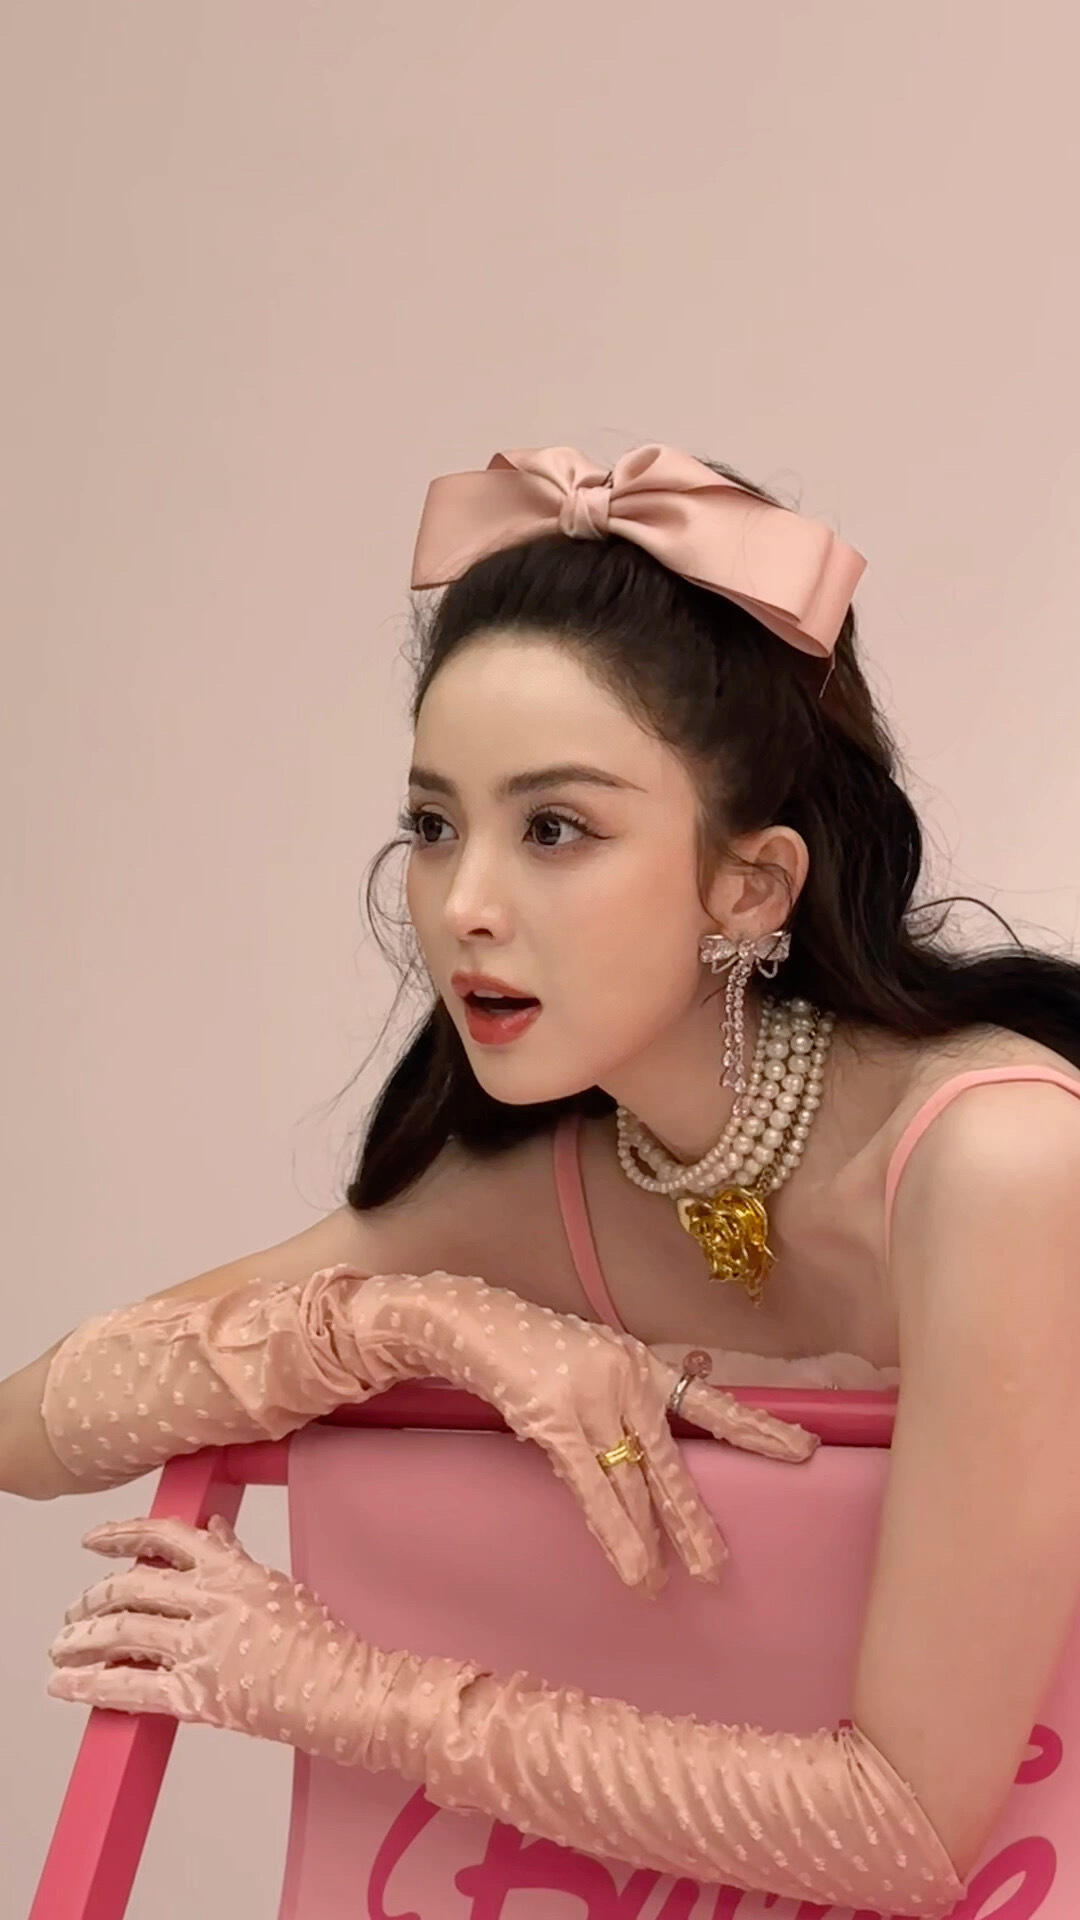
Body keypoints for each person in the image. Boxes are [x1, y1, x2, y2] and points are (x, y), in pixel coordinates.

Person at [6, 441, 1080, 1913]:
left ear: (750, 883)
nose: (465, 904)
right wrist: (429, 1322)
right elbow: (31, 1428)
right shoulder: (548, 1184)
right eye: (434, 825)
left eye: (556, 828)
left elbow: (904, 1828)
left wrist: (344, 1691)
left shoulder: (1003, 1162)